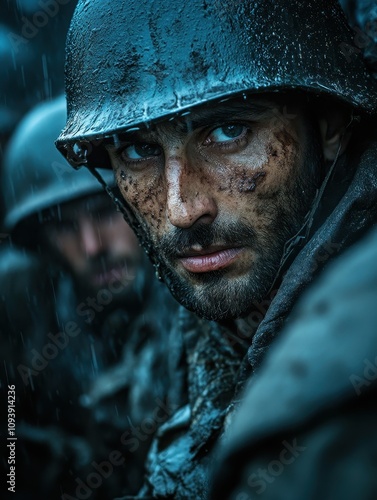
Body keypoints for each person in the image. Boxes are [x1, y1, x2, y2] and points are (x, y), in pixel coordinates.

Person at [55, 0, 377, 498]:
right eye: (138, 150)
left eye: (228, 131)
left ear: (329, 123)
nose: (183, 209)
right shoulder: (183, 349)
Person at [1, 96, 178, 499]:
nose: (92, 246)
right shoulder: (25, 308)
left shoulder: (200, 301)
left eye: (104, 211)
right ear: (43, 243)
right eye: (64, 227)